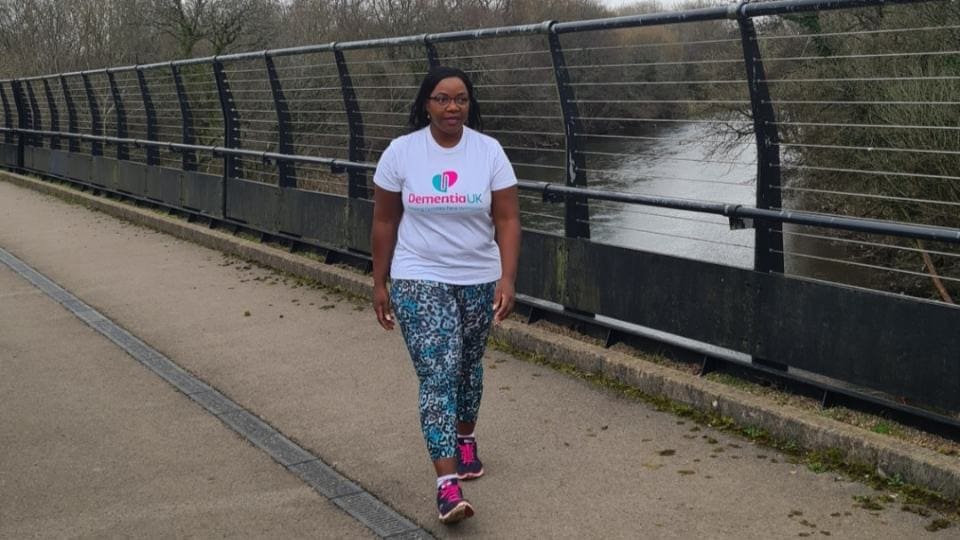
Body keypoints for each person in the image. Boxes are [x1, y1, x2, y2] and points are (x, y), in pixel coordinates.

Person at [371, 65, 521, 525]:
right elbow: (384, 221)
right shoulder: (401, 152)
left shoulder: (489, 151)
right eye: (441, 98)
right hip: (419, 274)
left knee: (467, 366)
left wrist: (508, 278)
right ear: (425, 104)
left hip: (478, 275)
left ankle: (466, 439)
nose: (451, 107)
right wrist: (380, 282)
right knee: (437, 375)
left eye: (460, 99)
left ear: (469, 105)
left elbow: (508, 219)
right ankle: (446, 485)